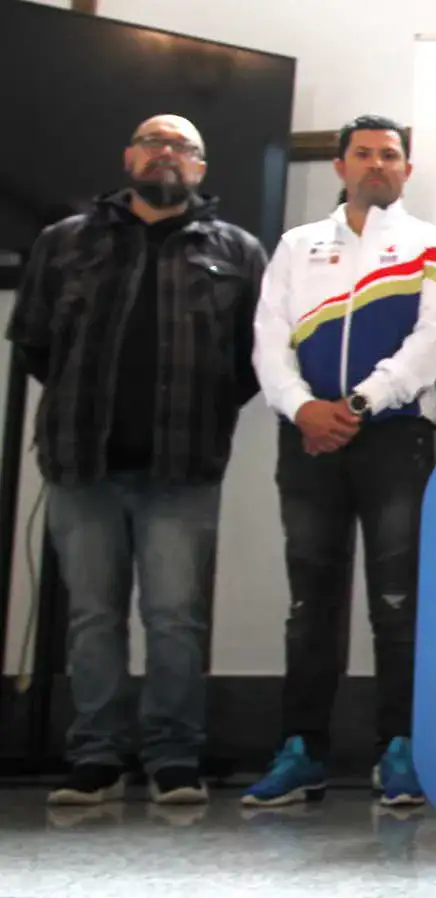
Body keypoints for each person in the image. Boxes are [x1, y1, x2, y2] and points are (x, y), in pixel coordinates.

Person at [6, 115, 265, 806]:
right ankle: (95, 756)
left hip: (182, 469)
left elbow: (253, 361)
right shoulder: (65, 242)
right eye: (154, 142)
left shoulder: (238, 251)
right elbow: (34, 343)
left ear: (201, 168)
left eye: (183, 147)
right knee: (92, 616)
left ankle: (173, 757)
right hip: (81, 466)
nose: (167, 154)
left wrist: (203, 412)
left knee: (175, 617)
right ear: (129, 157)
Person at [244, 114, 436, 807]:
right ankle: (302, 750)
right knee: (310, 603)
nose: (377, 164)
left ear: (407, 169)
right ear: (340, 167)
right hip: (308, 438)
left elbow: (432, 342)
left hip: (395, 437)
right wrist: (302, 408)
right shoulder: (295, 246)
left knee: (398, 603)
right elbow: (268, 340)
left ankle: (399, 748)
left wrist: (360, 404)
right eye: (363, 154)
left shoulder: (432, 246)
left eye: (389, 155)